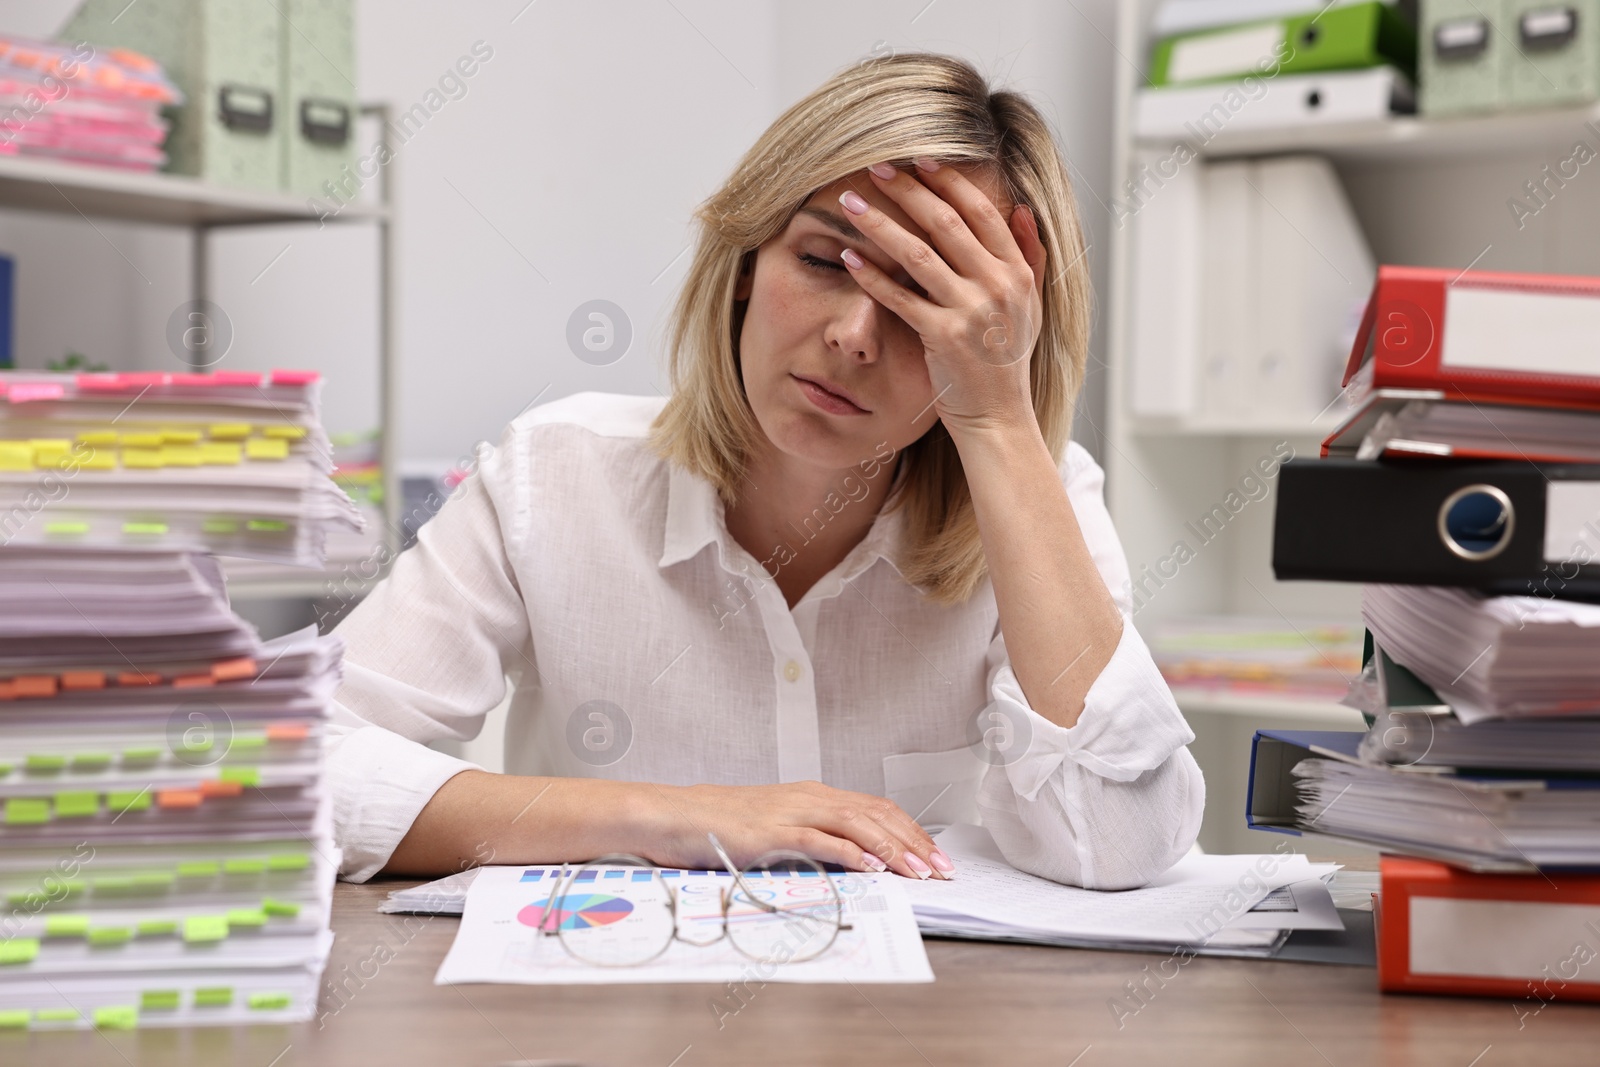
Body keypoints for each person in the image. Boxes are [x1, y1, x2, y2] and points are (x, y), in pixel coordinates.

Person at [326, 52, 1203, 890]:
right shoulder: (551, 476)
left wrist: (999, 419)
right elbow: (300, 766)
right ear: (746, 263)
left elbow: (1120, 842)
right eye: (824, 262)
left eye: (926, 300)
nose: (856, 334)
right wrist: (673, 818)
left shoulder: (1042, 498)